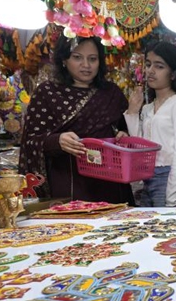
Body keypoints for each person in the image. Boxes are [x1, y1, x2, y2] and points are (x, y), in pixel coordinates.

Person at [19, 35, 133, 203]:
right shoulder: (48, 92)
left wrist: (123, 134)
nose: (86, 65)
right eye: (77, 57)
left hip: (110, 181)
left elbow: (125, 128)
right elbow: (30, 140)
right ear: (64, 60)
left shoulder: (111, 93)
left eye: (92, 59)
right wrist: (57, 141)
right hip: (69, 181)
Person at [125, 41, 176, 207]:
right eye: (148, 65)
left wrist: (173, 194)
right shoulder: (148, 107)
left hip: (168, 175)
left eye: (159, 66)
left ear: (173, 74)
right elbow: (139, 148)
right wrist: (133, 112)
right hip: (146, 176)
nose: (151, 71)